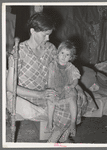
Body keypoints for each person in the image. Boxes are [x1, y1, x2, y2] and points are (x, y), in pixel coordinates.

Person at [6, 12, 85, 143]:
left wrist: (78, 86)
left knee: (78, 98)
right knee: (21, 105)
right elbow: (10, 87)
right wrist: (40, 94)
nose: (48, 38)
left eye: (49, 34)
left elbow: (64, 70)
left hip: (49, 92)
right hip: (26, 95)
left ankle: (59, 134)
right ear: (33, 31)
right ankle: (59, 135)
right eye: (45, 35)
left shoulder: (51, 49)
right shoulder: (18, 52)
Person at [46, 40, 80, 137]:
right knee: (50, 101)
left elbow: (76, 79)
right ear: (58, 53)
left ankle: (73, 123)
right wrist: (49, 88)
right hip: (54, 88)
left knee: (73, 99)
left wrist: (72, 86)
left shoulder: (71, 67)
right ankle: (49, 122)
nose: (64, 56)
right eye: (62, 53)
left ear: (71, 57)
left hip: (66, 89)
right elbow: (49, 78)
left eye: (67, 55)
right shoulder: (52, 65)